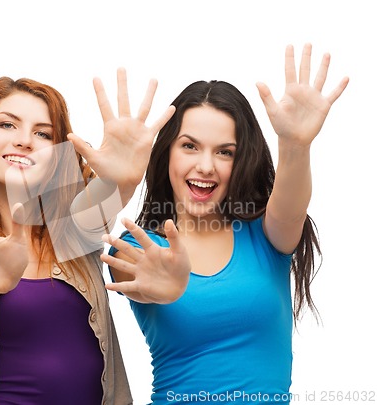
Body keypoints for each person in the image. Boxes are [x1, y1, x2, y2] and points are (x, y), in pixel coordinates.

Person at [103, 44, 349, 404]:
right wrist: (163, 286)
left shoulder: (266, 236)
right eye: (189, 146)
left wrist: (295, 145)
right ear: (167, 151)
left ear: (242, 160)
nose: (206, 165)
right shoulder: (141, 246)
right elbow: (124, 273)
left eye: (224, 151)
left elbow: (291, 209)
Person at [0, 70, 174, 404]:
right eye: (7, 124)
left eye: (43, 133)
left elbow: (108, 196)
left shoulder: (73, 231)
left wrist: (122, 179)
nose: (24, 140)